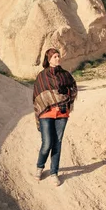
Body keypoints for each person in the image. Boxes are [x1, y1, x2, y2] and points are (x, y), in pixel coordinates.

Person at [33, 48, 77, 186]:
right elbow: (37, 96)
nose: (58, 59)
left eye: (58, 56)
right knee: (47, 143)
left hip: (62, 113)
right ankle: (40, 167)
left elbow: (74, 88)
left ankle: (54, 173)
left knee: (57, 143)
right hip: (46, 113)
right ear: (49, 59)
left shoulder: (66, 74)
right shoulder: (42, 76)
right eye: (54, 57)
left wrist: (68, 91)